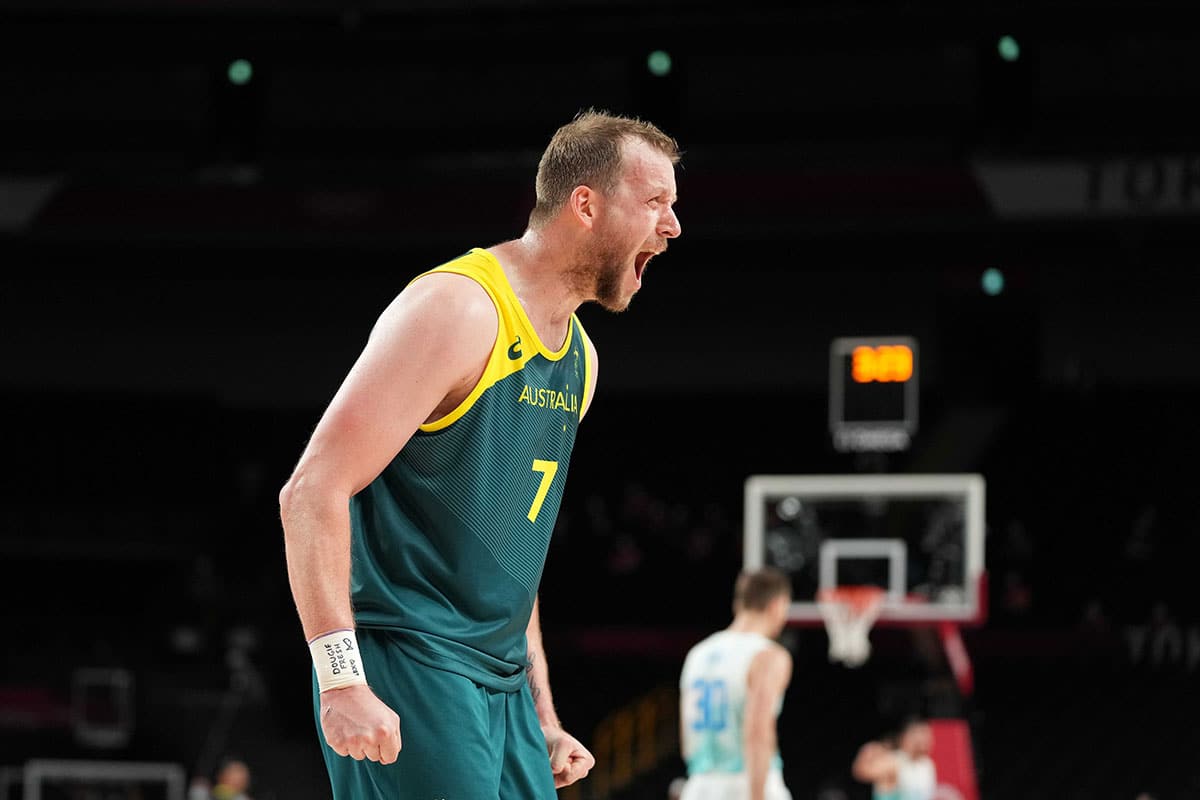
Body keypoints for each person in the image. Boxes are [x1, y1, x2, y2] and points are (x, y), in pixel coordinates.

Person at [279, 108, 682, 799]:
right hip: (411, 662)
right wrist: (341, 679)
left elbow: (508, 557)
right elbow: (311, 490)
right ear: (585, 204)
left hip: (502, 689)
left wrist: (544, 715)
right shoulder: (460, 308)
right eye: (655, 203)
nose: (672, 227)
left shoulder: (577, 360)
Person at [678, 567, 795, 800]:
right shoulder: (768, 656)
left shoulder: (698, 654)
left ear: (738, 604)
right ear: (778, 605)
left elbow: (686, 738)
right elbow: (758, 731)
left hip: (699, 785)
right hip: (746, 783)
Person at [851, 717, 936, 800]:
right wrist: (867, 752)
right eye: (923, 734)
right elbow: (860, 772)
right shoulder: (894, 761)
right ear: (909, 736)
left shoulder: (927, 764)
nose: (928, 740)